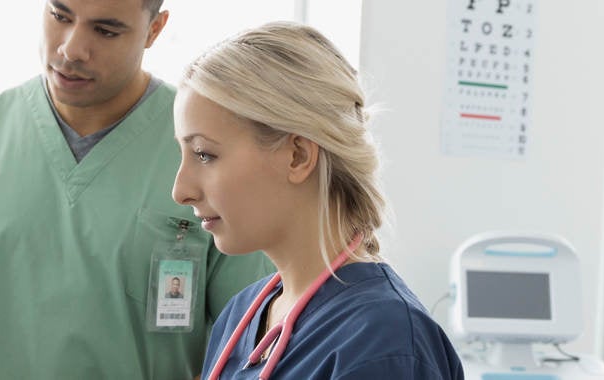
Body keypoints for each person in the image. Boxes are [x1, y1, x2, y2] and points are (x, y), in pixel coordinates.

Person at [0, 0, 274, 378]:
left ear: (154, 29)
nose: (72, 49)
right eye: (59, 15)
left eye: (105, 30)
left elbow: (252, 341)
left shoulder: (207, 152)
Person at [173, 22, 464, 379]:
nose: (180, 190)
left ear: (297, 156)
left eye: (204, 154)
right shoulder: (239, 316)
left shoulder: (384, 342)